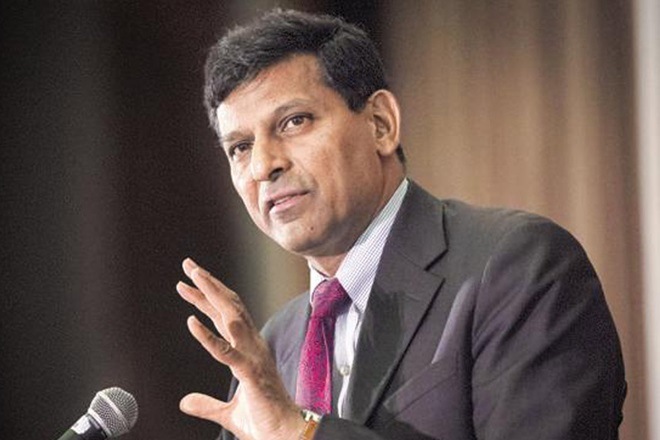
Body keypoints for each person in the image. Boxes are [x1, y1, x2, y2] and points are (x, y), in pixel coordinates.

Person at [175, 9, 626, 440]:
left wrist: (302, 431)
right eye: (240, 148)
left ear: (380, 124)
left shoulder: (518, 269)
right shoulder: (274, 346)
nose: (263, 166)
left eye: (294, 122)